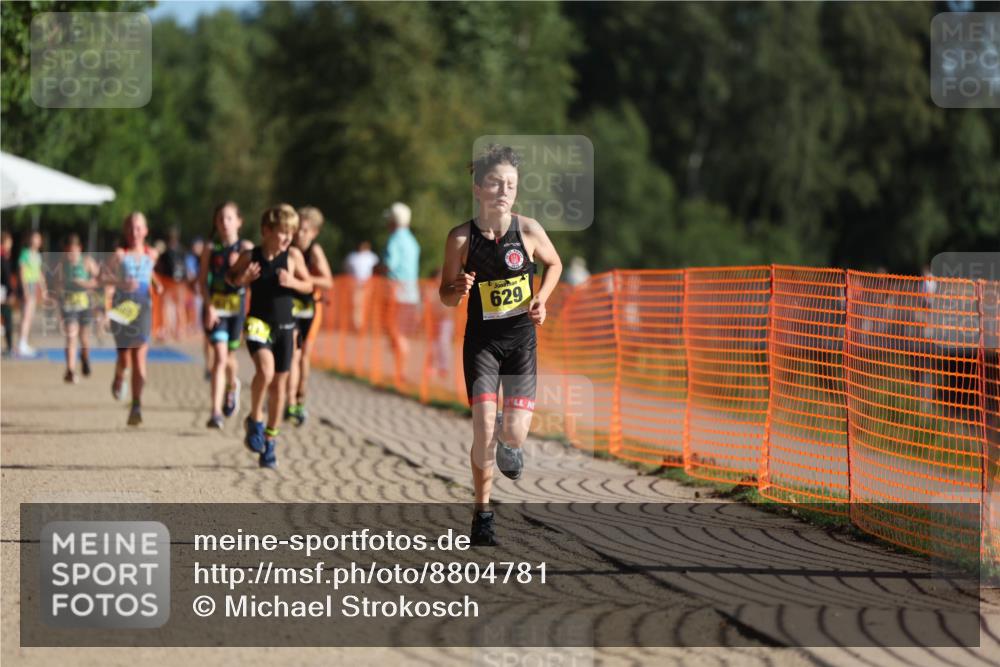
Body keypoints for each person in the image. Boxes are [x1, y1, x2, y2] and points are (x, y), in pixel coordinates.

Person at [438, 145, 562, 546]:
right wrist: (457, 289)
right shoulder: (461, 237)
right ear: (478, 188)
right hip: (482, 346)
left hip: (521, 343)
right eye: (495, 183)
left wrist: (541, 298)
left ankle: (510, 443)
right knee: (482, 427)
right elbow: (445, 295)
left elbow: (555, 263)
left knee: (514, 432)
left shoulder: (527, 231)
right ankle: (483, 513)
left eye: (511, 184)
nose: (503, 191)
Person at [227, 204, 313, 468]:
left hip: (286, 327)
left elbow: (309, 285)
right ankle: (255, 419)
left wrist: (293, 282)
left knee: (280, 387)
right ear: (266, 231)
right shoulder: (250, 255)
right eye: (283, 232)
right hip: (258, 322)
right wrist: (242, 278)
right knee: (264, 371)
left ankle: (270, 441)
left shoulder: (294, 257)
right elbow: (230, 279)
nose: (288, 238)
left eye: (291, 233)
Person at [105, 212, 162, 426]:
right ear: (125, 231)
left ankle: (136, 404)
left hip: (143, 311)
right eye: (130, 228)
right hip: (121, 311)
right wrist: (119, 284)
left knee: (139, 359)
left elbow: (148, 273)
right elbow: (104, 278)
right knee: (124, 359)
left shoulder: (152, 254)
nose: (134, 232)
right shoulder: (120, 255)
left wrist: (156, 284)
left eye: (138, 228)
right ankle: (119, 376)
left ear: (146, 231)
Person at [199, 203, 253, 429]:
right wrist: (209, 305)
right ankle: (215, 412)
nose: (224, 223)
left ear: (239, 221)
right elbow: (202, 282)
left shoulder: (246, 248)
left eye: (229, 218)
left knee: (230, 358)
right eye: (220, 219)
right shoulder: (210, 249)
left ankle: (232, 385)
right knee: (219, 358)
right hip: (216, 309)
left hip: (236, 311)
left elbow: (253, 282)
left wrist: (244, 274)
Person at [285, 206, 334, 427]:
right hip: (291, 305)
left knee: (304, 356)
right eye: (297, 229)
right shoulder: (288, 247)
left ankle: (301, 397)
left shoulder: (314, 251)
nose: (299, 234)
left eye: (304, 230)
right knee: (292, 355)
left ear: (314, 232)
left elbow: (328, 281)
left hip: (311, 307)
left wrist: (305, 281)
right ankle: (289, 401)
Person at [383, 202, 421, 388]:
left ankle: (401, 373)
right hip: (411, 295)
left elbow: (389, 265)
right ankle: (401, 371)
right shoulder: (412, 241)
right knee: (401, 334)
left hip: (396, 294)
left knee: (396, 333)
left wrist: (377, 267)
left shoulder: (395, 239)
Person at [57, 234, 99, 383]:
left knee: (84, 339)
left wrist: (84, 284)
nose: (70, 255)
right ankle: (70, 370)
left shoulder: (87, 262)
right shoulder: (63, 264)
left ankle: (85, 357)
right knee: (71, 336)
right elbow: (58, 285)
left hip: (85, 305)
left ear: (79, 249)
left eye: (72, 252)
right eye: (67, 252)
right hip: (69, 305)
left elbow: (98, 280)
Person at [154, 228, 188, 340]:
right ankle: (172, 330)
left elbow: (160, 267)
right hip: (173, 282)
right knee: (172, 307)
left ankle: (177, 330)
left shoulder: (168, 252)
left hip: (171, 282)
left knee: (173, 307)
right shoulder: (181, 251)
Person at [17, 230, 45, 357]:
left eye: (39, 239)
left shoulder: (38, 255)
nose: (37, 241)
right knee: (26, 316)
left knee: (30, 316)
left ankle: (23, 342)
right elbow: (22, 272)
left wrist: (44, 289)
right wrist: (25, 290)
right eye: (35, 238)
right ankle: (21, 343)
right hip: (27, 285)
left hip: (34, 286)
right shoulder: (25, 254)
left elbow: (39, 273)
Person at [344, 240, 379, 331]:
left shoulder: (372, 257)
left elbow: (376, 270)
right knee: (357, 305)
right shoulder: (352, 257)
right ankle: (358, 326)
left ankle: (367, 325)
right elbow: (347, 269)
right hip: (356, 285)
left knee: (368, 305)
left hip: (369, 285)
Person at [1, 231, 13, 357]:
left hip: (4, 291)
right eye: (9, 242)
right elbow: (6, 277)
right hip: (3, 292)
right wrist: (10, 292)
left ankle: (9, 347)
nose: (11, 244)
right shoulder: (2, 256)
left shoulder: (5, 255)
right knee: (7, 319)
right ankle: (9, 348)